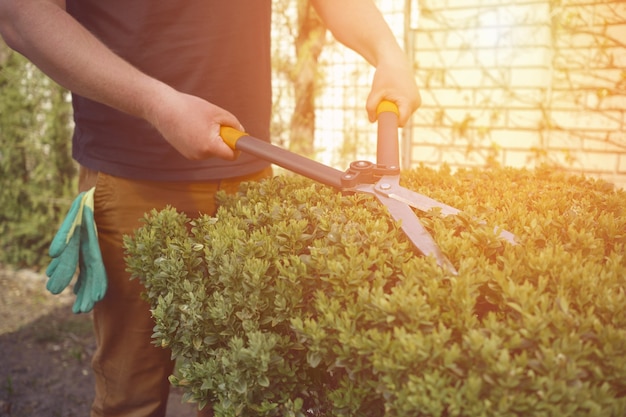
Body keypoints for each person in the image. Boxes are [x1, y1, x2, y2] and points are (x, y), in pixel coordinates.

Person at [0, 1, 420, 416]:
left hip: (248, 181)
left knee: (242, 395)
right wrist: (156, 103)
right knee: (129, 401)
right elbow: (21, 14)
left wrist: (388, 53)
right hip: (131, 175)